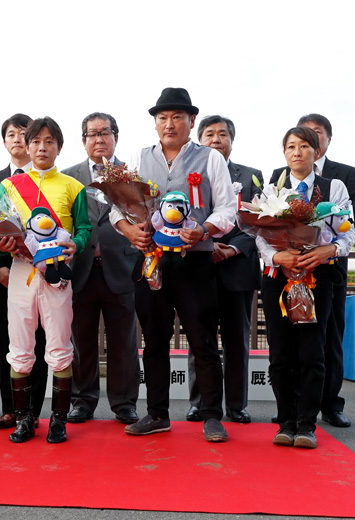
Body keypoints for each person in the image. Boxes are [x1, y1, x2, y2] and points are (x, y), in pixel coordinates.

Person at [110, 88, 236, 442]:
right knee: (154, 341)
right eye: (162, 117)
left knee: (203, 340)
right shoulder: (138, 157)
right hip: (151, 261)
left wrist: (204, 229)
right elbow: (116, 206)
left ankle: (211, 416)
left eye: (177, 117)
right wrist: (129, 231)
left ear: (191, 121)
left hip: (194, 261)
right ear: (155, 123)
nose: (169, 124)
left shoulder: (210, 159)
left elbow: (227, 209)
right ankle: (157, 414)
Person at [0, 116, 91, 444]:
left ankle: (58, 421)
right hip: (21, 271)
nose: (42, 147)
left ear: (59, 147)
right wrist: (1, 244)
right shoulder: (9, 186)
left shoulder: (73, 186)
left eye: (49, 141)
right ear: (26, 145)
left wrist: (76, 244)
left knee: (60, 346)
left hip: (57, 271)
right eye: (35, 141)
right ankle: (24, 419)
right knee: (20, 346)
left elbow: (84, 228)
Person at [260, 126, 355, 449]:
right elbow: (259, 235)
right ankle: (285, 421)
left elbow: (347, 230)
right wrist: (277, 256)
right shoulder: (274, 188)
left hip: (319, 276)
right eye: (291, 146)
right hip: (279, 277)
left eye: (304, 146)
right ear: (284, 153)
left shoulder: (334, 187)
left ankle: (306, 424)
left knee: (313, 352)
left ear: (317, 151)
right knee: (280, 353)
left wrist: (329, 250)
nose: (297, 152)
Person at [62, 112, 140, 425]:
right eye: (92, 134)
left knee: (124, 341)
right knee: (81, 341)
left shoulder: (132, 174)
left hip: (121, 265)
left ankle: (124, 403)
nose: (99, 139)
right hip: (81, 268)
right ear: (84, 141)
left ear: (115, 137)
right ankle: (82, 401)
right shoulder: (69, 177)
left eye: (105, 132)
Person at [185, 115, 262, 424]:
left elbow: (259, 222)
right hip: (198, 264)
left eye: (222, 135)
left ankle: (237, 404)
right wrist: (207, 241)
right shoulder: (188, 174)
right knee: (198, 339)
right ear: (200, 140)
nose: (216, 140)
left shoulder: (251, 176)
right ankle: (199, 403)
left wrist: (231, 248)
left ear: (232, 140)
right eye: (209, 134)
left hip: (238, 267)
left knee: (237, 341)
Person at [0, 114, 49, 430]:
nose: (18, 138)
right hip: (3, 278)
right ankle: (10, 408)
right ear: (4, 141)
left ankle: (33, 409)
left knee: (38, 342)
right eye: (12, 134)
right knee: (6, 343)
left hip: (38, 274)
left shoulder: (45, 180)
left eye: (25, 133)